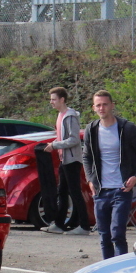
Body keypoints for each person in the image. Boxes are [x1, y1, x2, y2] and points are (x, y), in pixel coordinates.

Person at [81, 90, 136, 260]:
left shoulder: (127, 128)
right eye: (98, 105)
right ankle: (107, 269)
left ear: (112, 105)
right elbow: (87, 157)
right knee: (104, 236)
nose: (102, 108)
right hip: (101, 191)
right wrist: (90, 179)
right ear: (93, 108)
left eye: (105, 104)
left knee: (117, 234)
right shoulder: (91, 129)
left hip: (122, 190)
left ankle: (121, 270)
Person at [42, 86, 91, 235]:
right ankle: (59, 224)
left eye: (54, 99)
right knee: (62, 192)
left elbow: (74, 139)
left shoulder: (70, 116)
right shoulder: (60, 116)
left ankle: (84, 226)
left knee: (74, 192)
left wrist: (55, 145)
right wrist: (52, 144)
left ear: (62, 99)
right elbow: (62, 137)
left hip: (72, 160)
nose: (51, 102)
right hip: (64, 160)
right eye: (51, 99)